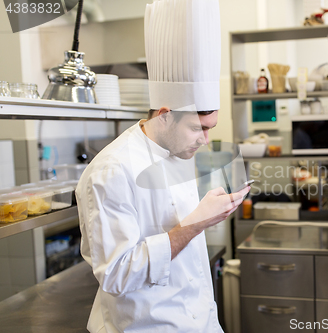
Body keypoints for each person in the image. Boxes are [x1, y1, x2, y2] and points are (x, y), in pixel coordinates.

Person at [76, 0, 247, 331]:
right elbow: (117, 274)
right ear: (166, 115)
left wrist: (209, 214)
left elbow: (176, 228)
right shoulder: (111, 170)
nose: (205, 141)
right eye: (199, 128)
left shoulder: (176, 151)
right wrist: (195, 225)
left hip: (199, 319)